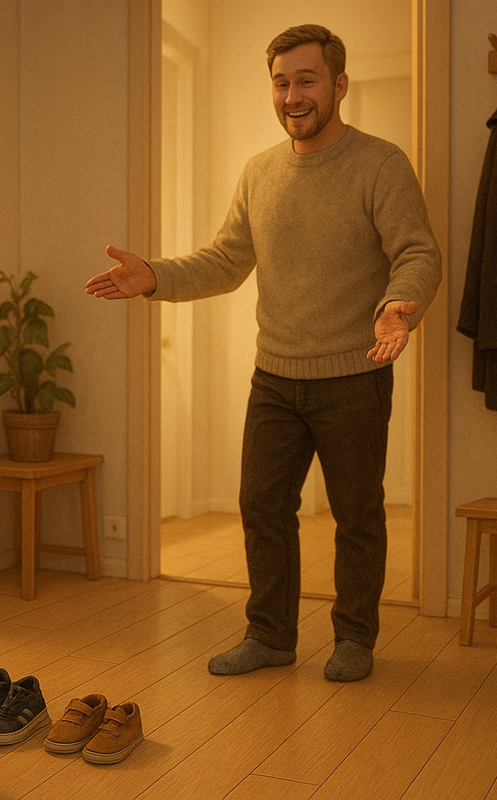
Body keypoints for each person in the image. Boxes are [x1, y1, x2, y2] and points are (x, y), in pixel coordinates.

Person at [86, 25, 439, 682]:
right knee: (261, 506)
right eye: (281, 83)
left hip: (353, 375)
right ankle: (271, 635)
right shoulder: (260, 173)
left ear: (338, 85)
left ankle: (354, 638)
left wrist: (399, 303)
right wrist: (155, 276)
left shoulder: (381, 164)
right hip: (274, 376)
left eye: (306, 80)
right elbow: (225, 261)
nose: (292, 95)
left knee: (358, 514)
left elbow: (417, 251)